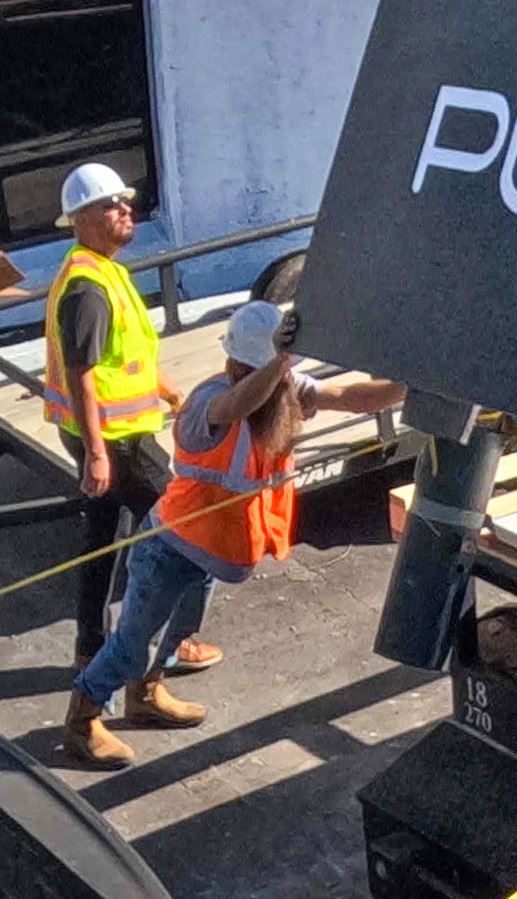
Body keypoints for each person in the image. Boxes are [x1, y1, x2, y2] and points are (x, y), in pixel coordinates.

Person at [58, 300, 405, 771]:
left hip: (213, 552)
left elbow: (349, 395)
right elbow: (238, 405)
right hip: (169, 548)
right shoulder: (208, 405)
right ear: (248, 365)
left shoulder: (281, 391)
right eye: (278, 369)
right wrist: (281, 362)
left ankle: (146, 695)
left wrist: (412, 385)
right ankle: (82, 718)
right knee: (129, 645)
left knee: (180, 631)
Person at [41, 160, 218, 685]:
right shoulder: (88, 288)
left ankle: (89, 646)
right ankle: (169, 646)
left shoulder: (101, 270)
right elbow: (84, 375)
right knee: (186, 534)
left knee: (101, 541)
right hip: (118, 443)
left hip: (108, 437)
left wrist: (167, 391)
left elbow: (127, 354)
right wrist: (98, 453)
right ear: (80, 219)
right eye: (110, 205)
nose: (126, 211)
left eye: (125, 202)